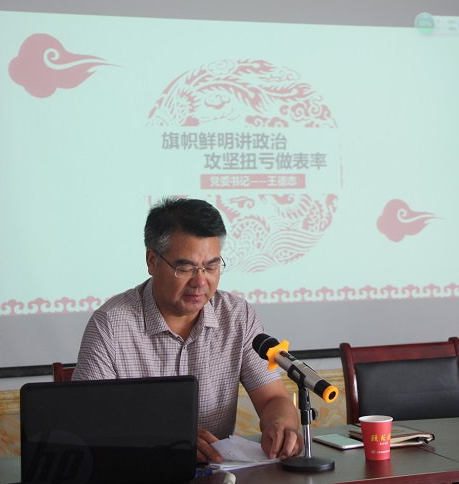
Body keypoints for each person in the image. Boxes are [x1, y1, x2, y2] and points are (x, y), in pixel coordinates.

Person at [72, 197, 303, 463]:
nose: (200, 281)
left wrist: (280, 425)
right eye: (185, 268)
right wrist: (165, 441)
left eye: (211, 267)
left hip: (217, 473)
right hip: (138, 470)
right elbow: (86, 423)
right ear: (152, 261)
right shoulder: (110, 325)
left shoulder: (236, 315)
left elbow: (273, 398)